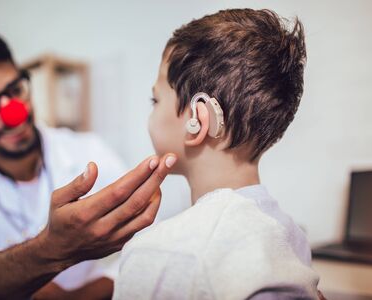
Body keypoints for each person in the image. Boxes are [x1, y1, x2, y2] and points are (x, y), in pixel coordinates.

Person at [0, 28, 177, 300]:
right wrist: (51, 250)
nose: (14, 114)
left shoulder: (88, 149)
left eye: (15, 89)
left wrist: (80, 296)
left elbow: (149, 245)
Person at [113, 8, 320, 299]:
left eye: (155, 99)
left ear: (197, 119)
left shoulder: (160, 252)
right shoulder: (291, 236)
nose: (151, 111)